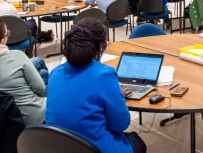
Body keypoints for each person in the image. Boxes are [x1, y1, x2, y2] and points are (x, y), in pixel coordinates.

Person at [46, 18, 146, 153]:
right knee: (136, 141)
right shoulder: (104, 75)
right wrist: (117, 97)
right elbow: (121, 124)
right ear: (102, 45)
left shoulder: (55, 72)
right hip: (92, 147)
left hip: (58, 145)